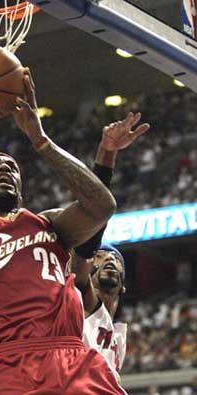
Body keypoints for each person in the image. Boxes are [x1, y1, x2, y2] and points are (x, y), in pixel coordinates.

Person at [0, 51, 126, 394]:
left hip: (77, 359)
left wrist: (40, 140)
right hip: (11, 366)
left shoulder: (49, 225)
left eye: (12, 167)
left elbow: (102, 205)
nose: (5, 168)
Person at [70, 113, 150, 378]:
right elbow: (93, 223)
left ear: (124, 285)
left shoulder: (117, 336)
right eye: (102, 257)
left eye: (116, 260)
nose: (111, 262)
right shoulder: (79, 303)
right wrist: (106, 154)